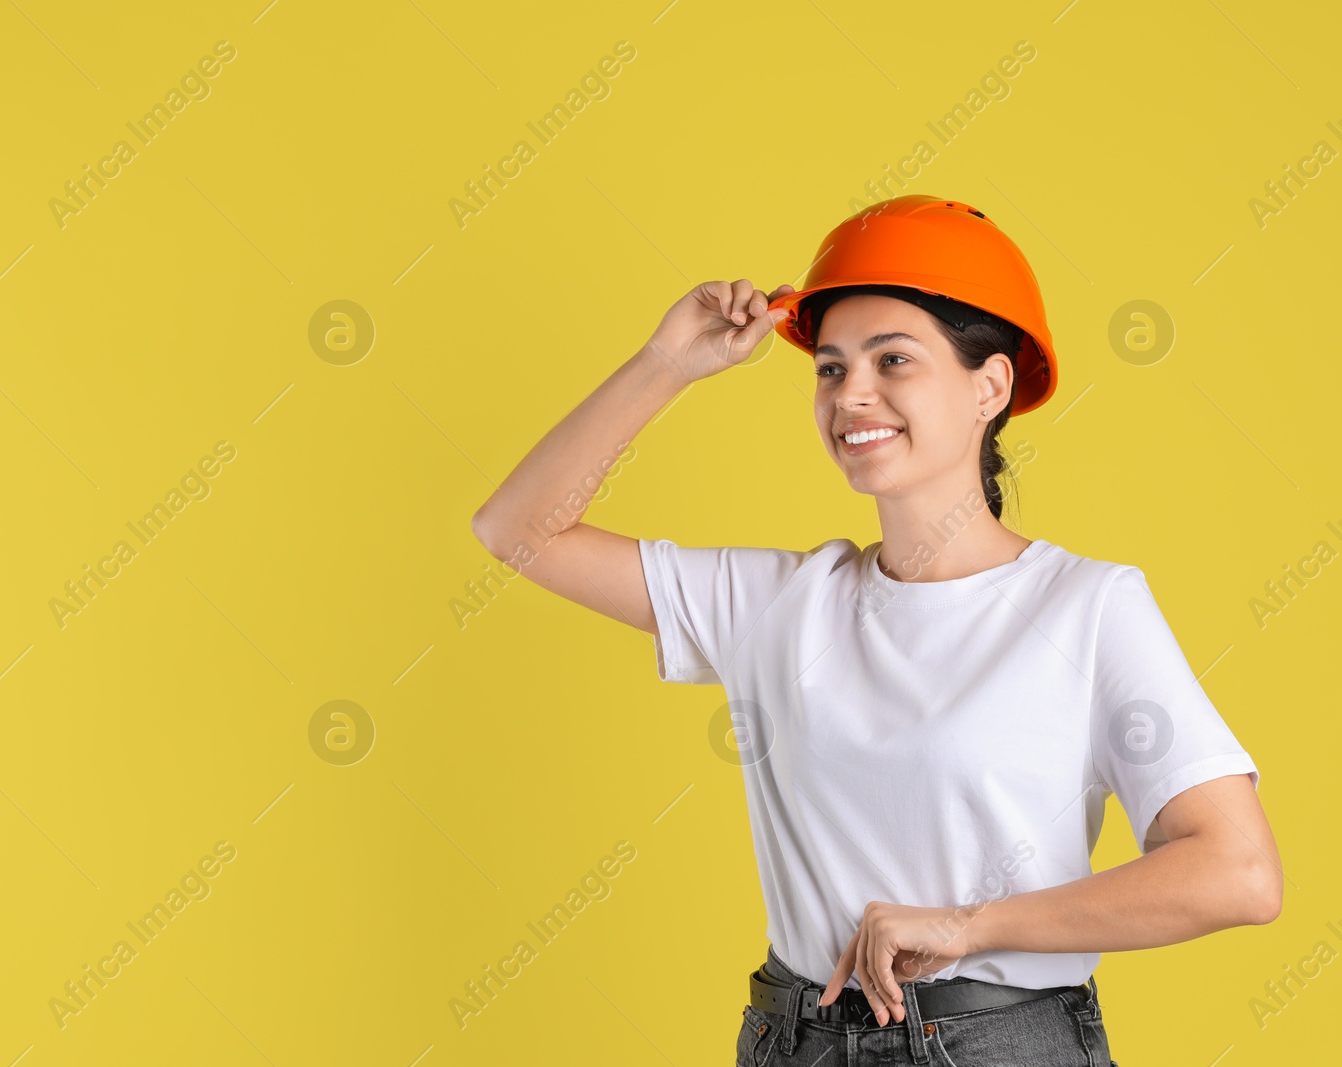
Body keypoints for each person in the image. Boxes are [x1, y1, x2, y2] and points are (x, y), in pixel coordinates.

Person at [470, 195, 1280, 1066]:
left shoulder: (1085, 607)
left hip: (998, 1041)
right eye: (829, 368)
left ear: (992, 385)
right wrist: (666, 362)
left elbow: (1236, 870)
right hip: (795, 1039)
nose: (852, 393)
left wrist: (969, 926)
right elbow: (519, 529)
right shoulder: (781, 604)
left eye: (893, 359)